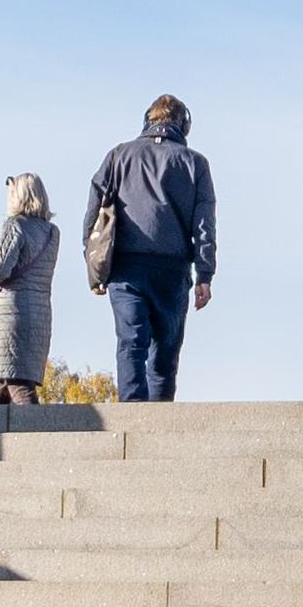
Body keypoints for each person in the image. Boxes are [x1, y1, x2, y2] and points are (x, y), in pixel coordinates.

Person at [84, 99, 218, 404]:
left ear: (149, 119)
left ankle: (132, 415)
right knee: (165, 355)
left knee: (131, 343)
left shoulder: (119, 155)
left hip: (125, 267)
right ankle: (159, 424)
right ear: (183, 124)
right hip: (173, 270)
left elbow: (93, 214)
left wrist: (94, 269)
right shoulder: (195, 163)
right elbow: (204, 224)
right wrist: (205, 274)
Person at [0, 173, 60, 402]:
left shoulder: (14, 225)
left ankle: (41, 436)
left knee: (18, 384)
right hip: (40, 312)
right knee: (5, 381)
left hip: (12, 313)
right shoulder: (52, 232)